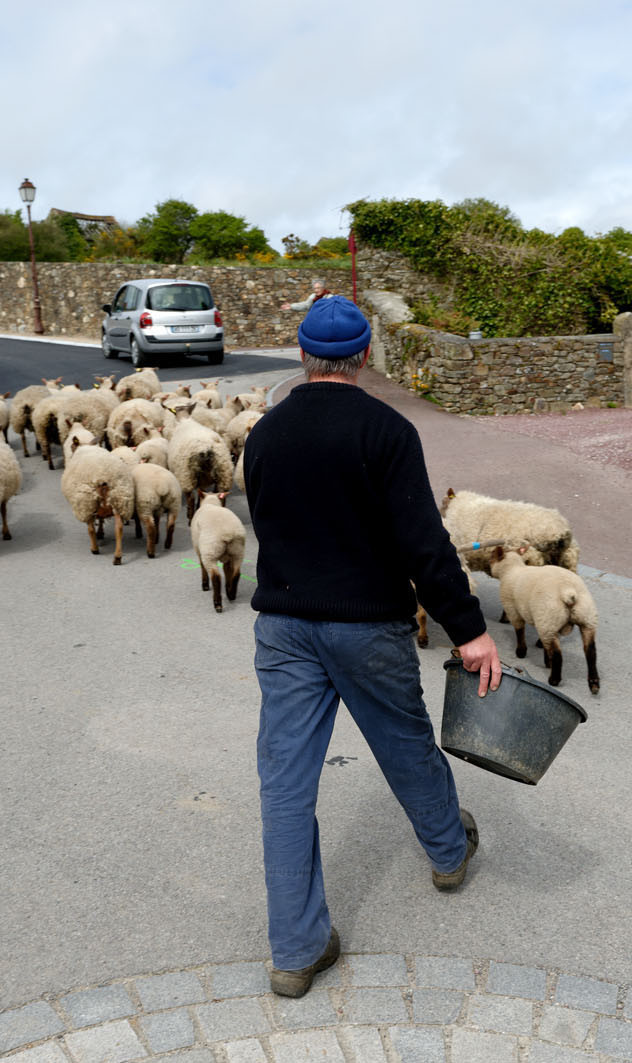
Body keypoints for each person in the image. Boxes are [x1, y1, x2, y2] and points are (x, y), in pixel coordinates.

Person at [242, 295, 502, 998]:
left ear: (303, 355)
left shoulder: (264, 433)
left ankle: (296, 951)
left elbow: (268, 521)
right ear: (362, 358)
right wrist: (470, 629)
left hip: (284, 626)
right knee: (404, 741)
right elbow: (423, 541)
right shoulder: (387, 430)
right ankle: (448, 853)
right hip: (366, 625)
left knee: (285, 784)